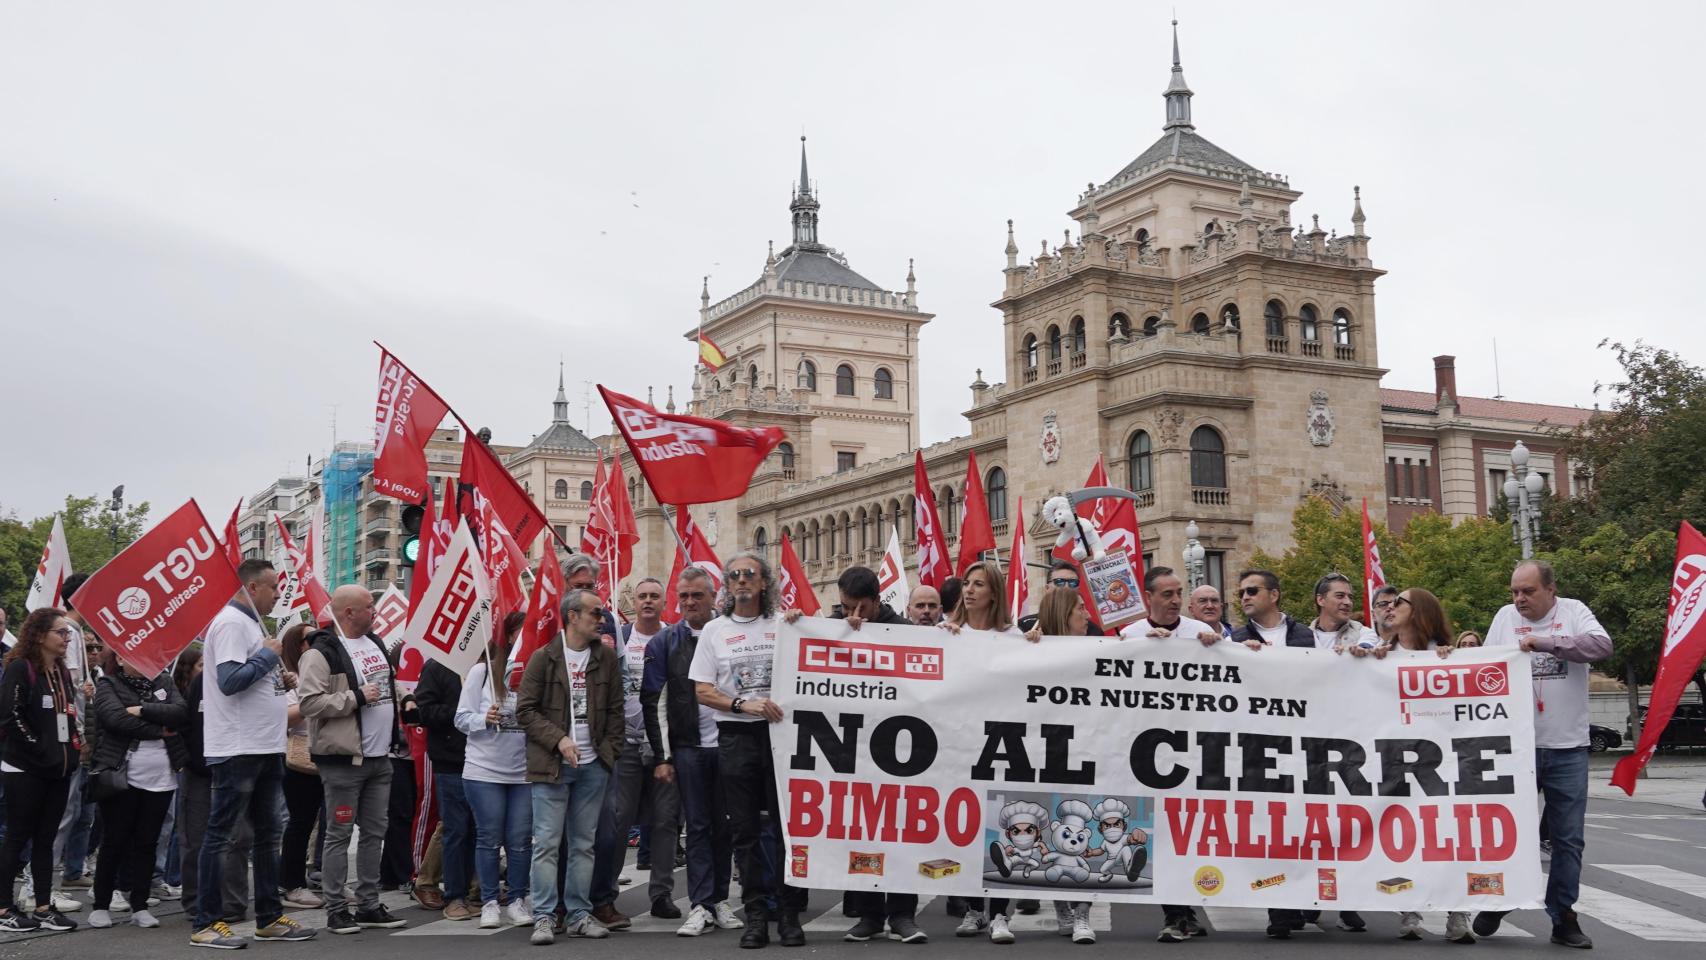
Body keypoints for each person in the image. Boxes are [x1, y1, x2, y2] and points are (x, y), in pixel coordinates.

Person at [1465, 560, 1610, 950]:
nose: (1519, 599)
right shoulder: (1504, 618)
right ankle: (1501, 899)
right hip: (1515, 748)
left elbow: (1601, 646)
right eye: (1514, 591)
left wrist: (1546, 643)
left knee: (1567, 840)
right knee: (1509, 834)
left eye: (1527, 591)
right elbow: (1481, 667)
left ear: (1551, 590)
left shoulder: (1575, 612)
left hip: (1567, 748)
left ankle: (1562, 916)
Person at [194, 559, 317, 948]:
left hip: (264, 743)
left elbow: (249, 677)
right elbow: (229, 682)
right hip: (238, 746)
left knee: (268, 834)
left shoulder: (251, 625)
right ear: (251, 586)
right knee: (222, 834)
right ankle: (206, 922)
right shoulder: (231, 622)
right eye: (273, 586)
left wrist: (278, 677)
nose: (278, 593)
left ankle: (268, 917)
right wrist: (266, 657)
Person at [690, 553, 804, 949]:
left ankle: (789, 914)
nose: (741, 581)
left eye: (749, 575)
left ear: (763, 583)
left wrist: (807, 624)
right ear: (727, 584)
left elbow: (826, 652)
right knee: (745, 832)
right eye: (734, 575)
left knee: (788, 830)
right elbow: (702, 690)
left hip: (782, 739)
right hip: (736, 738)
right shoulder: (714, 631)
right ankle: (755, 915)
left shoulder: (785, 623)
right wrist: (743, 705)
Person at [812, 566, 925, 944]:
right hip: (855, 750)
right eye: (846, 608)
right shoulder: (831, 628)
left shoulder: (907, 632)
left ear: (879, 601)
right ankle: (870, 914)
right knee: (861, 830)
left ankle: (903, 914)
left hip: (902, 749)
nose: (854, 617)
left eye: (862, 608)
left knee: (901, 833)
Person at [297, 584, 409, 936]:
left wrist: (405, 697)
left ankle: (369, 904)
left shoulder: (374, 642)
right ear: (348, 613)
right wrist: (355, 697)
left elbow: (387, 682)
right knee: (339, 835)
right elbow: (310, 704)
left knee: (375, 833)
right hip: (344, 761)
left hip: (380, 758)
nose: (375, 611)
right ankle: (337, 909)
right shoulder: (321, 652)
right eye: (369, 606)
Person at [518, 587, 625, 945]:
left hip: (594, 766)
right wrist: (559, 740)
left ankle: (579, 913)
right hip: (552, 766)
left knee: (583, 844)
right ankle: (545, 917)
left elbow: (615, 712)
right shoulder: (543, 657)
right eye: (595, 613)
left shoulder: (606, 658)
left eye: (602, 613)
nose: (602, 619)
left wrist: (609, 753)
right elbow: (526, 712)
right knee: (547, 843)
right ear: (573, 616)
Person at [643, 566, 743, 937]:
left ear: (713, 596)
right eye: (683, 596)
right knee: (698, 827)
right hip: (689, 748)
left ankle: (719, 899)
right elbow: (654, 703)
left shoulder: (732, 634)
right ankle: (700, 903)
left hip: (732, 745)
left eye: (696, 595)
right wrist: (663, 757)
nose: (688, 602)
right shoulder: (664, 642)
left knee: (725, 827)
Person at [1368, 587, 1472, 942]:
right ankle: (1408, 909)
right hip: (1396, 763)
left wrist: (1451, 660)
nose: (1390, 607)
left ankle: (1458, 914)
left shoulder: (1443, 656)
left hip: (1439, 764)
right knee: (1402, 837)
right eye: (1388, 603)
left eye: (1399, 602)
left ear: (1420, 611)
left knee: (1448, 837)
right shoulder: (1381, 655)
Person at [1116, 567, 1214, 943]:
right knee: (1161, 836)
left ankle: (1183, 911)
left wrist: (1226, 649)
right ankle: (1177, 914)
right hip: (1147, 755)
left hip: (1193, 753)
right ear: (1149, 598)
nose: (1175, 601)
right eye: (1167, 594)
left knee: (1188, 835)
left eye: (1179, 593)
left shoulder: (1199, 634)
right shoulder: (1132, 636)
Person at [939, 560, 1030, 943]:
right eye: (966, 584)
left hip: (1003, 747)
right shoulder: (945, 634)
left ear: (994, 592)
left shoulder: (1015, 639)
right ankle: (974, 909)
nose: (970, 590)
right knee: (966, 828)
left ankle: (999, 915)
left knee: (999, 828)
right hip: (959, 747)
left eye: (979, 584)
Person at [593, 577, 680, 925]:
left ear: (663, 602)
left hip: (664, 747)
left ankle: (661, 895)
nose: (647, 601)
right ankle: (606, 897)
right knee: (618, 822)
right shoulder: (619, 638)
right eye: (642, 596)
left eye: (654, 596)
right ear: (634, 601)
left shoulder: (674, 638)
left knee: (664, 822)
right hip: (626, 745)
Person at [1022, 589, 1107, 945]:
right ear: (1062, 614)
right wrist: (1025, 648)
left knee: (1083, 826)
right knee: (1056, 833)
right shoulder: (1030, 649)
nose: (1086, 614)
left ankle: (1083, 912)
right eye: (1079, 609)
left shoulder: (1099, 648)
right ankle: (1062, 905)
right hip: (1045, 752)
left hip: (1088, 752)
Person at [87, 646, 190, 929]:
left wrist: (142, 710)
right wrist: (160, 729)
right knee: (115, 841)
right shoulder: (108, 683)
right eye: (131, 655)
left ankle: (140, 904)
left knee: (147, 842)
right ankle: (101, 904)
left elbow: (180, 712)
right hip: (122, 775)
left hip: (162, 777)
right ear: (119, 659)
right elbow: (115, 719)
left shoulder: (164, 681)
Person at [0, 608, 82, 933]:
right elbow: (11, 717)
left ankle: (43, 906)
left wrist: (73, 748)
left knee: (46, 840)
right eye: (60, 632)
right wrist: (39, 749)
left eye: (67, 633)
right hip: (25, 769)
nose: (66, 638)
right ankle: (4, 907)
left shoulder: (60, 671)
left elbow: (69, 714)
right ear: (40, 635)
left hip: (57, 769)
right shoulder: (21, 668)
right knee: (18, 837)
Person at [455, 611, 533, 929]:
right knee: (488, 838)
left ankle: (516, 899)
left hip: (524, 772)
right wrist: (482, 719)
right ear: (510, 635)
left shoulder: (536, 671)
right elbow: (460, 718)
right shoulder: (482, 670)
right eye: (522, 631)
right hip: (484, 770)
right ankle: (489, 901)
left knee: (520, 840)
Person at [176, 647, 253, 927]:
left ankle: (233, 904)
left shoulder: (250, 679)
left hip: (236, 769)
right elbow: (185, 723)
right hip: (200, 772)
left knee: (238, 838)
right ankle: (196, 902)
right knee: (195, 840)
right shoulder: (201, 682)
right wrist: (190, 760)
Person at [414, 612, 477, 920]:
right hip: (450, 760)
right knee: (455, 829)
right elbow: (423, 711)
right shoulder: (438, 667)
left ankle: (471, 890)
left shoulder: (485, 667)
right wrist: (463, 713)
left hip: (482, 760)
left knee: (478, 830)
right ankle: (454, 895)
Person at [278, 624, 325, 909]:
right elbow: (286, 717)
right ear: (298, 646)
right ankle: (290, 883)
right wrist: (316, 701)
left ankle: (327, 881)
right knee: (300, 822)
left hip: (327, 753)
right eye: (311, 639)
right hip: (300, 758)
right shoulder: (289, 678)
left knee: (328, 824)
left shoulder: (319, 672)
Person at [1227, 569, 1313, 649]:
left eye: (1252, 591)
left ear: (1274, 595)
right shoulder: (1232, 641)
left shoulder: (1309, 635)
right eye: (1241, 593)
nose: (1245, 597)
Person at [1309, 573, 1380, 651]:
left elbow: (1368, 643)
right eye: (1340, 596)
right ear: (1320, 600)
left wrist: (1361, 649)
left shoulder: (1363, 633)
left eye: (1350, 597)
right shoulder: (1302, 636)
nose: (1348, 602)